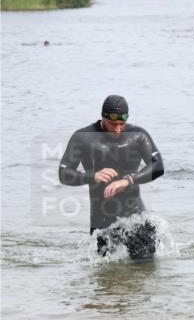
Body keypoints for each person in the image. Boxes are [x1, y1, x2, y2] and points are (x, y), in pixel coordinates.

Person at [59, 95, 165, 261]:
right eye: (113, 124)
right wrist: (92, 176)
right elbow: (63, 173)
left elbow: (158, 166)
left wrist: (128, 180)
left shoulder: (137, 135)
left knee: (145, 276)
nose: (117, 129)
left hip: (135, 219)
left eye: (121, 124)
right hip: (102, 224)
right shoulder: (83, 137)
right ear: (103, 117)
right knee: (105, 280)